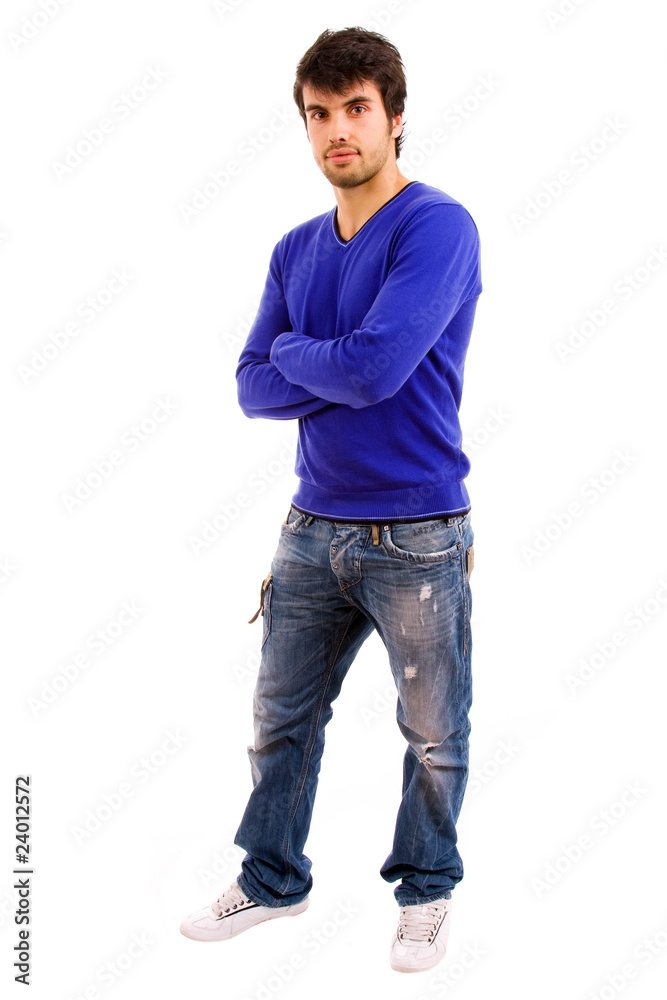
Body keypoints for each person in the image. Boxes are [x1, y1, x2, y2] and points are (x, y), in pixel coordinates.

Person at [180, 25, 481, 974]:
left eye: (356, 108)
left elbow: (377, 368)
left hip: (418, 532)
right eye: (319, 113)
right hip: (311, 528)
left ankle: (426, 890)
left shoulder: (437, 227)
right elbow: (249, 387)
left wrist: (304, 357)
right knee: (279, 721)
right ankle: (271, 878)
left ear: (395, 117)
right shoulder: (295, 249)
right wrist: (335, 367)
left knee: (431, 733)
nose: (337, 130)